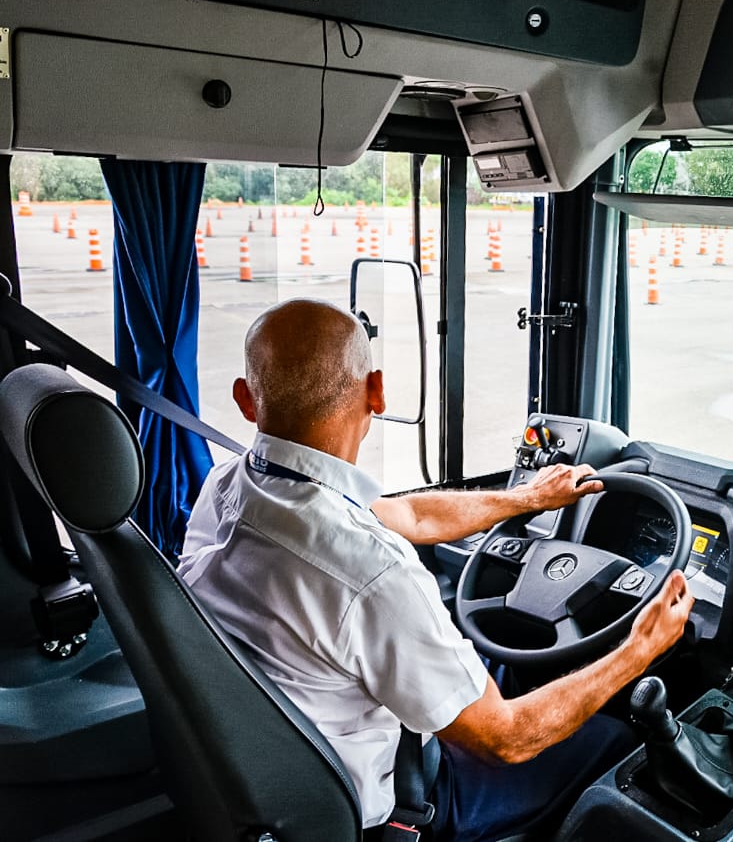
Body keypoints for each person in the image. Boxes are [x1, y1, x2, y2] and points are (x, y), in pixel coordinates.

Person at [177, 299, 694, 840]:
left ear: (245, 398)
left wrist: (526, 499)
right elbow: (507, 739)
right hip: (400, 803)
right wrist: (640, 649)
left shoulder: (230, 486)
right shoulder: (372, 573)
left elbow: (411, 515)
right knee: (616, 740)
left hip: (274, 767)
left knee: (502, 668)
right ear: (376, 391)